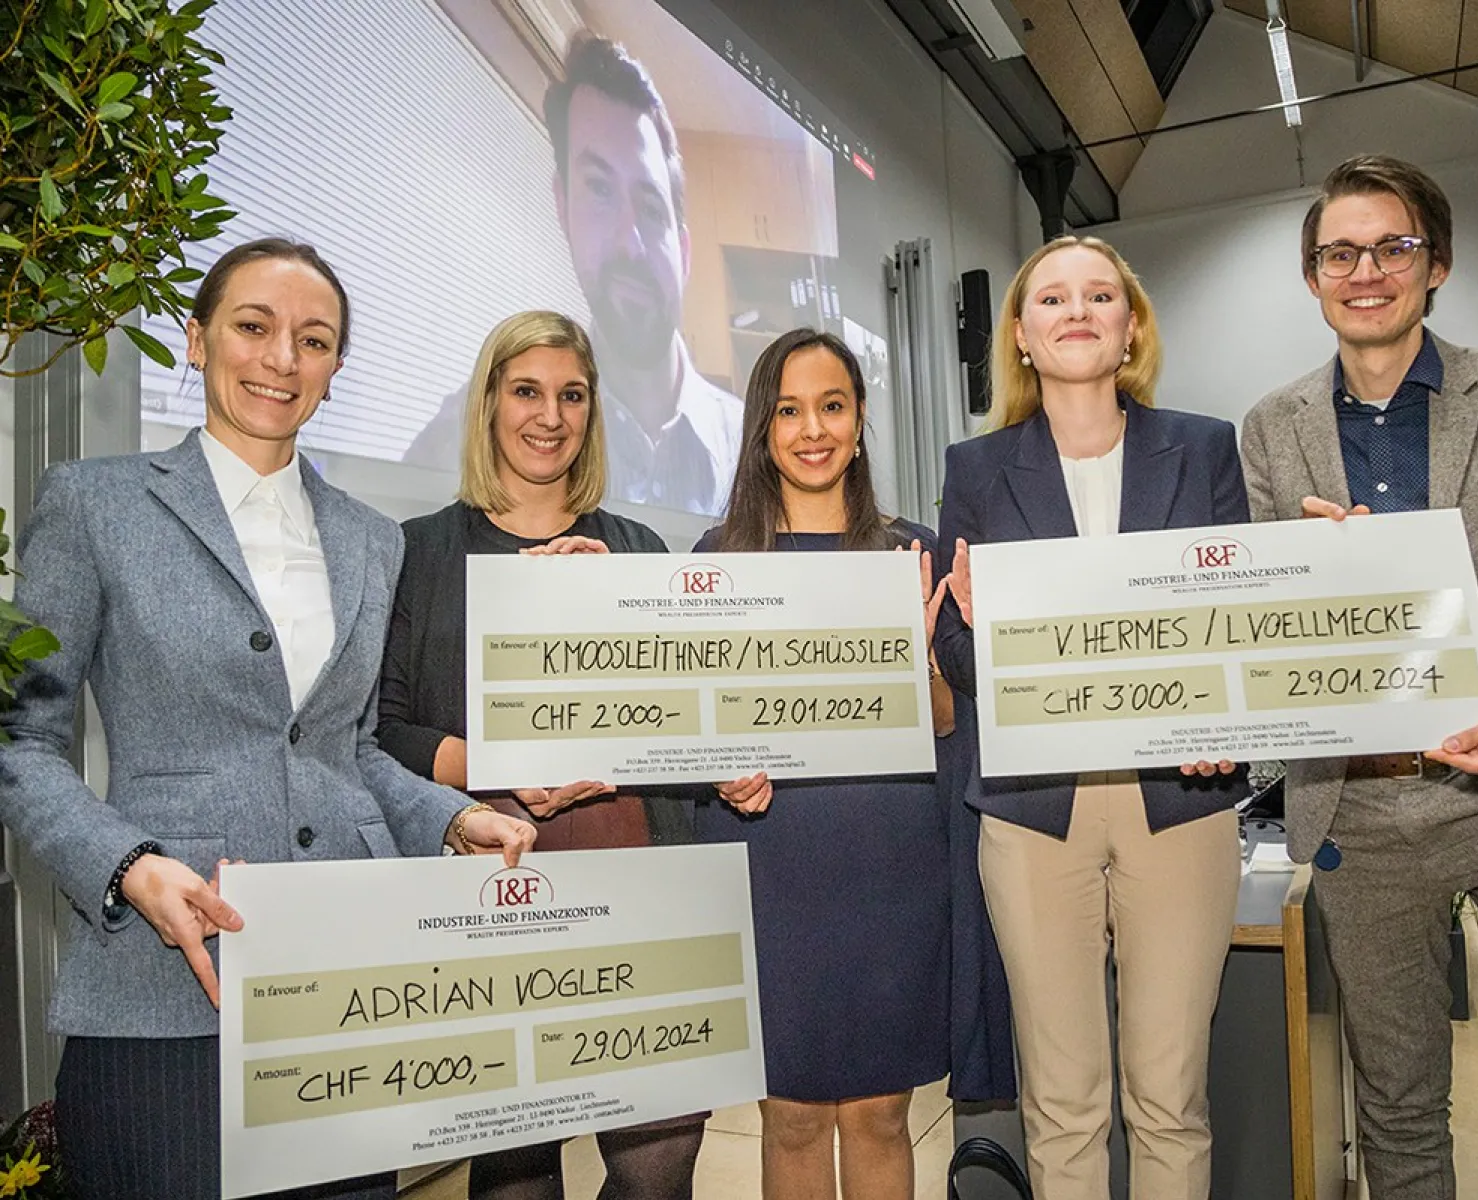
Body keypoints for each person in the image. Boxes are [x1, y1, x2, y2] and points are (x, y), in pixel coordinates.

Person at [0, 238, 535, 1200]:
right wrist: (126, 865)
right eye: (254, 327)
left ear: (334, 372)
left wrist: (449, 819)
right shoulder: (93, 506)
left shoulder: (372, 540)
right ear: (197, 340)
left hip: (347, 985)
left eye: (314, 340)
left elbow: (352, 751)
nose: (282, 359)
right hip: (165, 982)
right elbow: (20, 739)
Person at [1241, 154, 1478, 1200]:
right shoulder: (1272, 429)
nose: (1365, 271)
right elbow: (1261, 634)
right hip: (1363, 806)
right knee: (1395, 1106)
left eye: (1391, 247)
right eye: (1337, 253)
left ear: (1434, 263)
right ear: (1312, 277)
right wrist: (1299, 581)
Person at [933, 235, 1251, 1198]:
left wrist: (1223, 722)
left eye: (1099, 295)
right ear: (1022, 336)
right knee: (1063, 1104)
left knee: (1170, 1099)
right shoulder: (977, 468)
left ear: (1129, 327)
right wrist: (982, 632)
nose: (1076, 311)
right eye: (1052, 299)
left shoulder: (1202, 447)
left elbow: (1237, 629)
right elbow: (952, 656)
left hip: (1179, 806)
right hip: (1036, 816)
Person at [377, 310, 703, 1200]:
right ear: (488, 403)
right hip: (496, 888)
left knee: (661, 1159)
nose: (549, 416)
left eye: (572, 395)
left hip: (635, 870)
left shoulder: (637, 550)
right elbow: (382, 730)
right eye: (526, 391)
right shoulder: (421, 553)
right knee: (517, 1172)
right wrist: (494, 762)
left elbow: (683, 722)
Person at [694, 328, 951, 1200]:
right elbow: (696, 726)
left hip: (892, 862)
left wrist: (915, 666)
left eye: (832, 406)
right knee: (792, 1117)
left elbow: (953, 722)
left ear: (860, 416)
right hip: (775, 864)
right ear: (763, 430)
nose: (813, 430)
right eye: (789, 411)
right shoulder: (718, 563)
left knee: (881, 1113)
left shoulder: (912, 552)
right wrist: (720, 769)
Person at [405, 34, 742, 516]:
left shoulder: (755, 442)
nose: (630, 242)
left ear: (684, 251)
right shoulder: (466, 427)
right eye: (600, 190)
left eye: (650, 206)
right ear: (564, 211)